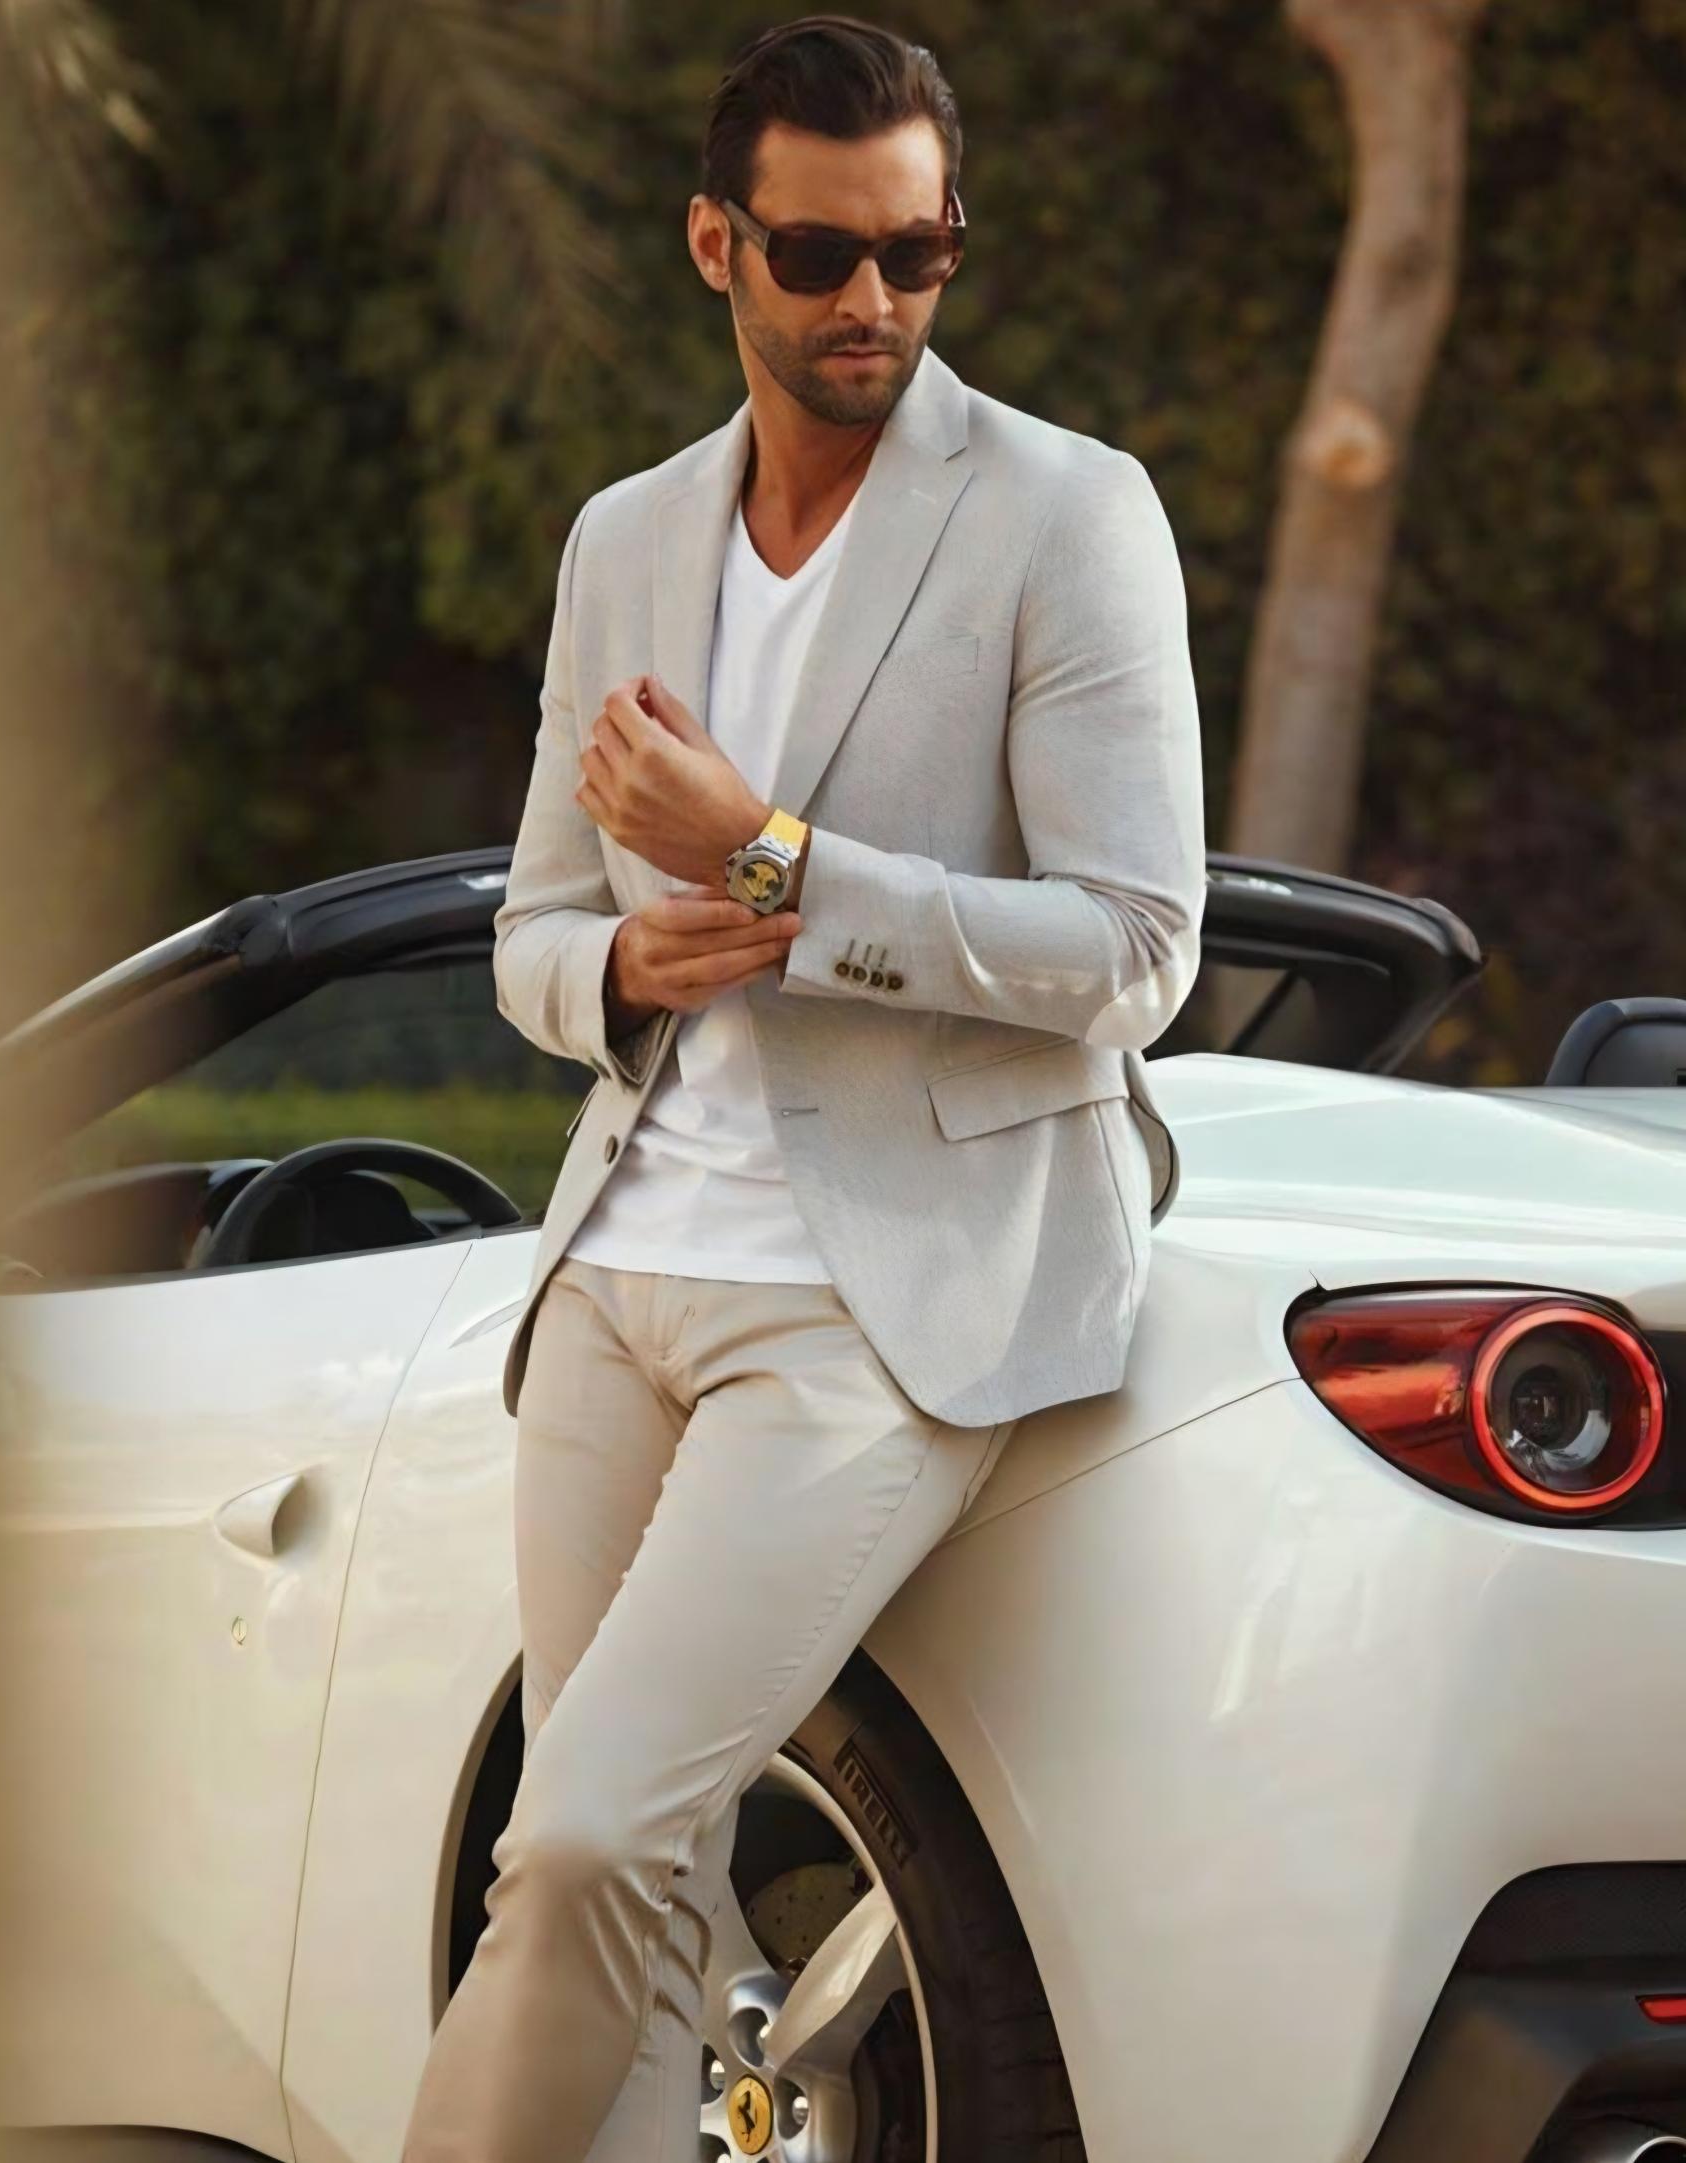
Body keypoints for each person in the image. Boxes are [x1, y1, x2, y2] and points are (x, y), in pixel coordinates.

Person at [399, 14, 1206, 2161]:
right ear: (715, 245)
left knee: (588, 1830)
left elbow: (1139, 948)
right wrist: (621, 966)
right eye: (821, 254)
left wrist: (770, 863)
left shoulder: (1064, 514)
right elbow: (530, 931)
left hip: (880, 1297)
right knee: (619, 1883)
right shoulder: (624, 539)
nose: (873, 302)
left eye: (917, 255)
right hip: (620, 1270)